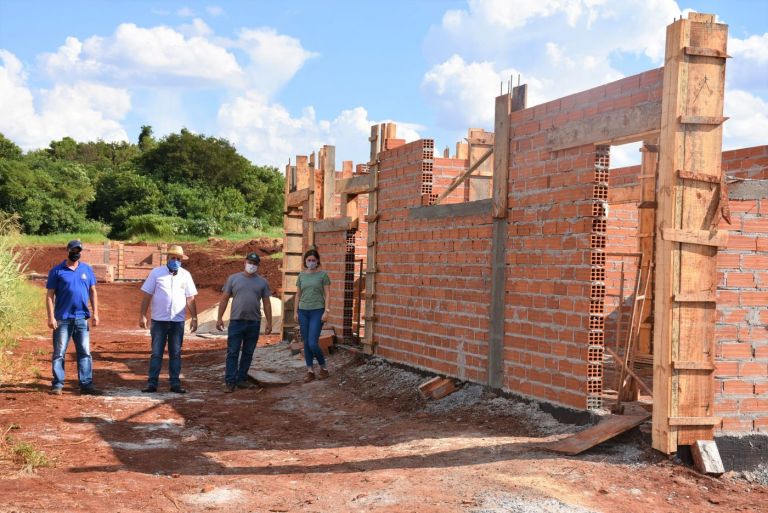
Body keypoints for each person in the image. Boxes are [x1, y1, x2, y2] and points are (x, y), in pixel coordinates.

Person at [138, 245, 198, 394]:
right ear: (167, 258)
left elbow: (190, 298)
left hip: (177, 321)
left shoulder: (186, 275)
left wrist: (195, 317)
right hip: (159, 320)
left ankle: (175, 383)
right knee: (156, 352)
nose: (176, 261)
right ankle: (152, 383)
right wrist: (143, 315)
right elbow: (147, 295)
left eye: (178, 259)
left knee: (176, 353)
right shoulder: (156, 273)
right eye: (173, 258)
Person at [46, 240, 101, 395]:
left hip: (81, 318)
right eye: (74, 250)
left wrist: (95, 313)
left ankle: (86, 384)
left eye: (79, 250)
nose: (76, 253)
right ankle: (57, 384)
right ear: (67, 250)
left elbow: (93, 292)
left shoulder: (87, 270)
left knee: (84, 352)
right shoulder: (57, 271)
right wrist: (51, 317)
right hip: (62, 318)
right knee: (59, 352)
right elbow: (50, 296)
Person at [216, 252, 273, 393]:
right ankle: (230, 381)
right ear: (244, 262)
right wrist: (219, 318)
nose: (251, 265)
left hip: (254, 322)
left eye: (255, 264)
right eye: (250, 262)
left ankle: (241, 379)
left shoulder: (262, 282)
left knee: (248, 352)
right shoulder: (233, 279)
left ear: (258, 266)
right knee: (233, 352)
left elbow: (267, 303)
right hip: (236, 321)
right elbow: (224, 299)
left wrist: (269, 322)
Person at [294, 248, 331, 383]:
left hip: (317, 311)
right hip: (303, 311)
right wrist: (295, 311)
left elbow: (327, 294)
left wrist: (326, 311)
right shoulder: (301, 276)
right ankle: (310, 371)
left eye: (313, 260)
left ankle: (324, 368)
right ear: (305, 261)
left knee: (312, 343)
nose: (311, 262)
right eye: (308, 260)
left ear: (317, 261)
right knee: (306, 343)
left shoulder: (323, 275)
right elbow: (298, 294)